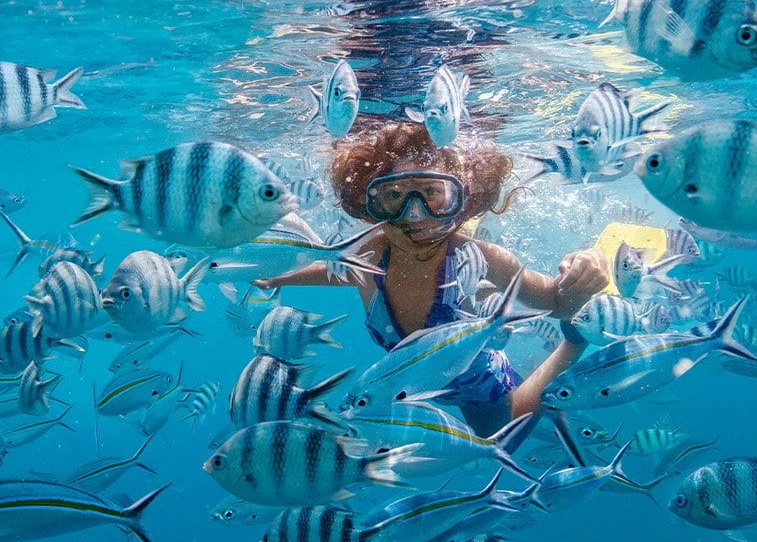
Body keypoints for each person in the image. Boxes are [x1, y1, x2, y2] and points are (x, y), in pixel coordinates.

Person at [256, 119, 609, 434]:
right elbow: (337, 274)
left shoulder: (484, 258)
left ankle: (572, 344)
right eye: (394, 196)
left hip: (476, 379)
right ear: (369, 202)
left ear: (461, 199)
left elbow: (556, 303)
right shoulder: (370, 256)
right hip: (423, 382)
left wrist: (583, 274)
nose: (415, 215)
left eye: (431, 194)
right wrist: (279, 279)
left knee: (498, 434)